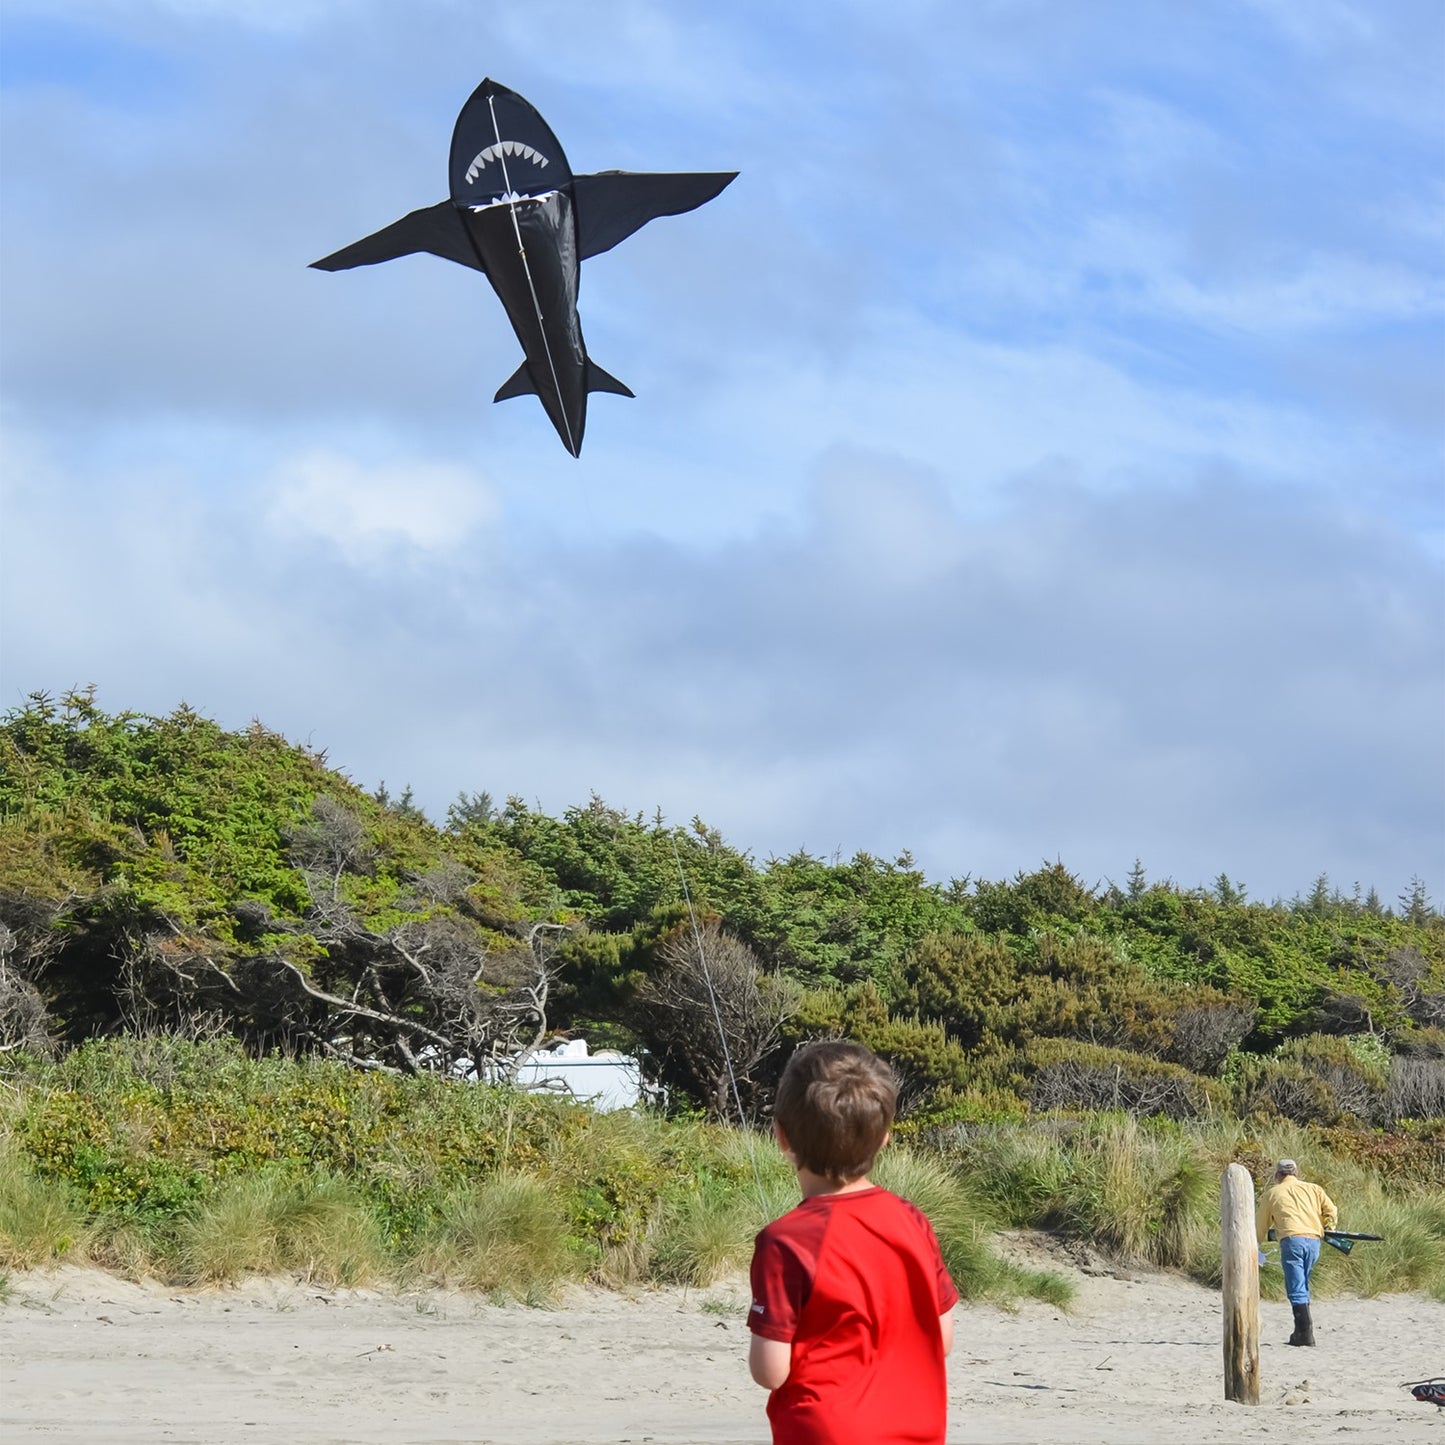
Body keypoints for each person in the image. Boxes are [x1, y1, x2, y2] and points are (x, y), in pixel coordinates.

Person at [747, 1041, 957, 1445]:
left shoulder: (785, 1240)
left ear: (781, 1137)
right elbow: (942, 1339)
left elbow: (770, 1371)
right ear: (884, 1139)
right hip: (918, 1428)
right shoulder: (912, 1220)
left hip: (824, 1431)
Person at [1257, 1158, 1338, 1346]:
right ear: (1296, 1173)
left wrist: (1255, 1245)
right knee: (1303, 1283)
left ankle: (1304, 1332)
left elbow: (1260, 1224)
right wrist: (1329, 1226)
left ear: (1278, 1175)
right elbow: (1331, 1210)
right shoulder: (1314, 1189)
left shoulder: (1273, 1193)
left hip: (1292, 1240)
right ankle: (1301, 1331)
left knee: (1296, 1287)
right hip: (1314, 1241)